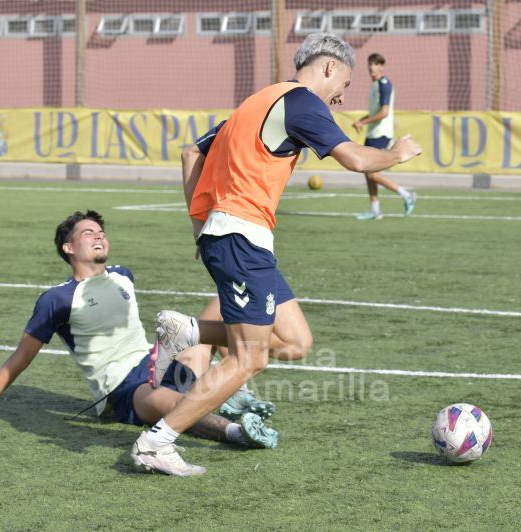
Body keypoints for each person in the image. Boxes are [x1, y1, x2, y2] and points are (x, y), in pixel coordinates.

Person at [130, 33, 422, 476]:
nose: (342, 97)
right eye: (344, 83)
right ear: (328, 67)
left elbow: (193, 151)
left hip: (235, 236)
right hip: (240, 237)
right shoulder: (304, 102)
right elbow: (357, 160)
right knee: (252, 357)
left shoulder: (261, 99)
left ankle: (188, 331)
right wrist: (396, 153)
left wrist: (200, 225)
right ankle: (157, 442)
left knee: (297, 342)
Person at [0, 210, 278, 472]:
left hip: (158, 361)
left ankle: (233, 389)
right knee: (171, 405)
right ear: (69, 248)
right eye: (88, 233)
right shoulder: (56, 300)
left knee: (224, 303)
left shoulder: (123, 275)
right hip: (124, 389)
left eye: (101, 232)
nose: (99, 236)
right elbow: (19, 358)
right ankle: (237, 431)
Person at [350, 53, 416, 220]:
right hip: (372, 133)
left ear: (381, 66)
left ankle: (406, 195)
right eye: (369, 64)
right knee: (367, 172)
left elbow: (384, 113)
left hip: (381, 134)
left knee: (372, 173)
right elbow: (375, 112)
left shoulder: (384, 84)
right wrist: (362, 120)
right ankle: (375, 209)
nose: (371, 67)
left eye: (375, 64)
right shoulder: (375, 85)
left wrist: (364, 123)